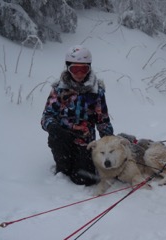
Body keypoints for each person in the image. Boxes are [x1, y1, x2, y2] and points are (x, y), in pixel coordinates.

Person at [41, 45, 113, 186]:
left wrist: (109, 139)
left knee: (85, 180)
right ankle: (63, 165)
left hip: (85, 142)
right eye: (75, 69)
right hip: (63, 139)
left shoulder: (96, 91)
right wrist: (55, 128)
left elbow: (103, 120)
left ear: (89, 68)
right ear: (68, 68)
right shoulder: (59, 90)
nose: (79, 74)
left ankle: (80, 163)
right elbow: (46, 116)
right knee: (65, 171)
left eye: (83, 69)